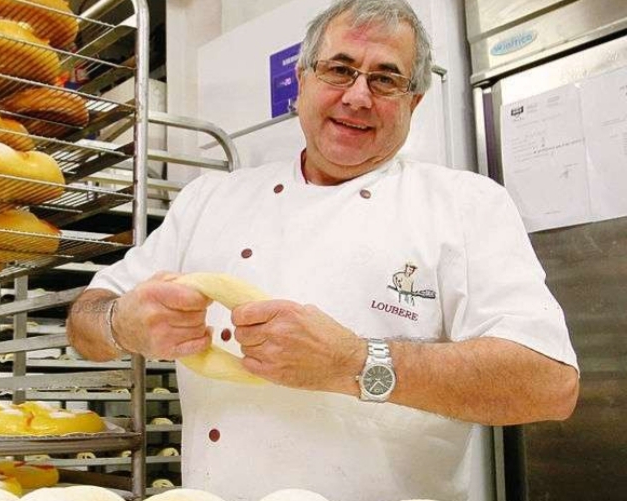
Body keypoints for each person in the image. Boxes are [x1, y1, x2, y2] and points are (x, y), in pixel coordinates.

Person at [66, 1, 579, 500]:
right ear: (302, 80)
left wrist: (355, 362)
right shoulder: (209, 199)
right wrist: (120, 325)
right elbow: (84, 323)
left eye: (385, 78)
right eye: (339, 69)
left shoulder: (465, 204)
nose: (358, 97)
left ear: (413, 101)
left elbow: (549, 384)